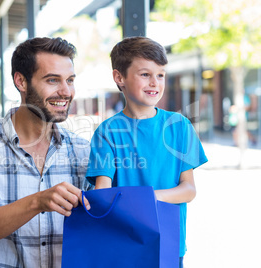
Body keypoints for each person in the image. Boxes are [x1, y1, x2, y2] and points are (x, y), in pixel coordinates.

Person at [0, 37, 92, 268]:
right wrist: (37, 202)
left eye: (70, 80)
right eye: (53, 80)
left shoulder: (83, 151)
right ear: (21, 82)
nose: (66, 91)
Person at [85, 36, 208, 267]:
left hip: (169, 243)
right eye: (145, 74)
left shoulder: (179, 126)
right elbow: (103, 194)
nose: (155, 82)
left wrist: (145, 199)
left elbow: (189, 190)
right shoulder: (107, 132)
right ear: (119, 77)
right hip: (123, 243)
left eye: (160, 75)